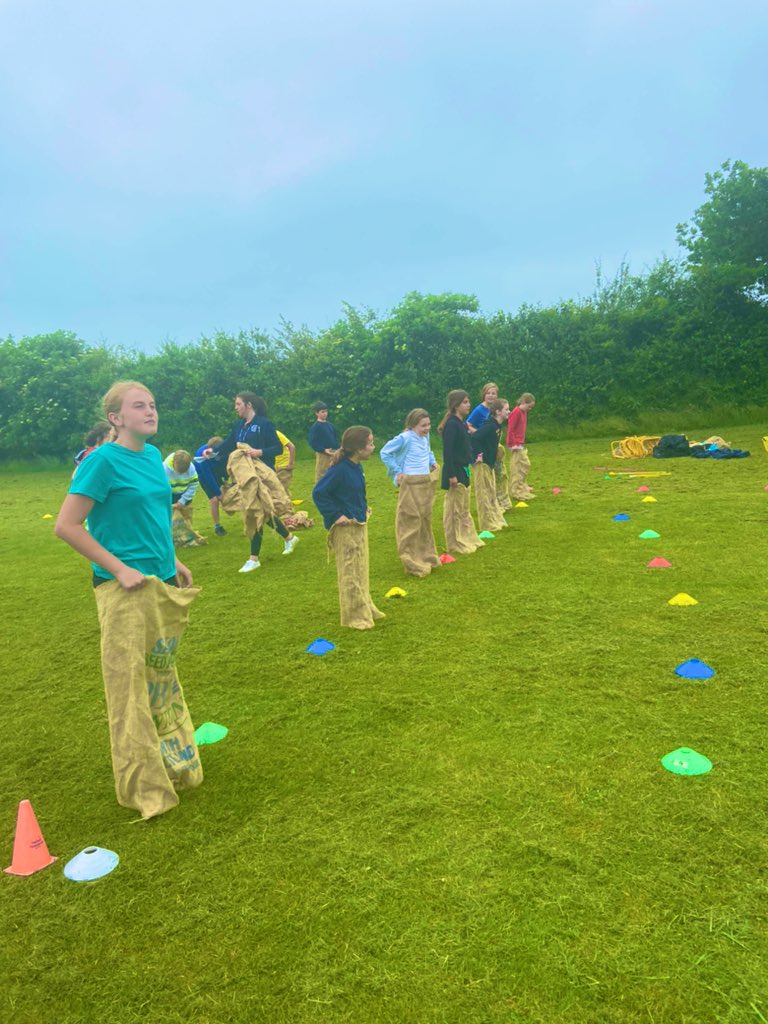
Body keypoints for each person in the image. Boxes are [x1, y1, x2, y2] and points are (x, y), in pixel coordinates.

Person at [55, 380, 202, 820]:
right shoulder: (101, 462)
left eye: (152, 404)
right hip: (122, 590)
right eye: (139, 406)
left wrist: (172, 559)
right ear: (116, 418)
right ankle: (144, 788)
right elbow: (67, 526)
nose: (150, 411)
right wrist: (119, 569)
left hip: (160, 583)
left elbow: (156, 515)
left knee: (160, 679)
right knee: (129, 690)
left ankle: (175, 764)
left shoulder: (154, 459)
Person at [206, 392, 298, 573]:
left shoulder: (264, 424)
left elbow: (277, 448)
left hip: (262, 474)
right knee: (260, 511)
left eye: (238, 404)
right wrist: (213, 451)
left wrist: (258, 452)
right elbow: (229, 444)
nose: (235, 407)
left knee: (254, 510)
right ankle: (289, 538)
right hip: (245, 476)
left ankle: (253, 559)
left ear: (248, 405)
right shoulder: (238, 426)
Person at [312, 427, 385, 630]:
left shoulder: (356, 466)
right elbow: (319, 493)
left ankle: (366, 606)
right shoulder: (340, 470)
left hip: (358, 524)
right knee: (350, 571)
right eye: (370, 444)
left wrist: (362, 507)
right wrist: (336, 515)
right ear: (358, 449)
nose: (373, 447)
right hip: (345, 529)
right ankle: (354, 617)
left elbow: (354, 493)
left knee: (361, 569)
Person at [380, 408, 441, 577]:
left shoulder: (425, 437)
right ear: (413, 425)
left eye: (429, 424)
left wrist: (432, 462)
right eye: (423, 425)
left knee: (424, 519)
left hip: (424, 481)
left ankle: (426, 555)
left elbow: (428, 450)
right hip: (410, 483)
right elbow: (385, 452)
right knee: (410, 520)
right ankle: (410, 559)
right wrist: (397, 471)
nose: (427, 428)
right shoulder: (405, 438)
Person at [438, 390, 485, 555]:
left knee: (463, 507)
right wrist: (451, 475)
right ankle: (454, 542)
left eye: (468, 401)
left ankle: (466, 536)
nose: (468, 405)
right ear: (456, 405)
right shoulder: (451, 424)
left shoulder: (462, 423)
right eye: (465, 402)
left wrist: (473, 459)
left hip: (464, 469)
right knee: (454, 509)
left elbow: (465, 446)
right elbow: (448, 452)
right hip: (455, 470)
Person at [469, 399, 509, 533]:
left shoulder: (497, 426)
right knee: (484, 493)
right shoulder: (490, 426)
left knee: (491, 491)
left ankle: (493, 518)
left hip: (490, 463)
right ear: (498, 412)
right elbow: (474, 438)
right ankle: (486, 524)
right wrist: (479, 454)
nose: (509, 411)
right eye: (506, 409)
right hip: (482, 464)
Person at [193, 436, 227, 535]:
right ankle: (217, 527)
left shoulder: (221, 449)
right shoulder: (201, 456)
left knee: (226, 493)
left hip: (215, 471)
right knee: (214, 500)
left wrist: (225, 478)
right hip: (204, 476)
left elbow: (224, 463)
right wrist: (218, 493)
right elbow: (208, 476)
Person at [506, 392, 536, 501]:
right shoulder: (516, 412)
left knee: (525, 465)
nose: (530, 409)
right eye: (529, 406)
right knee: (518, 468)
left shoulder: (524, 412)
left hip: (520, 443)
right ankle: (516, 490)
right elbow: (511, 428)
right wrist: (513, 444)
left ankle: (522, 485)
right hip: (515, 445)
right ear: (523, 402)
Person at [308, 401, 340, 482]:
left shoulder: (330, 425)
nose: (325, 413)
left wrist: (338, 449)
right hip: (323, 454)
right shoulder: (316, 427)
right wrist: (323, 450)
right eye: (322, 412)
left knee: (334, 472)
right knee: (322, 475)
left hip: (334, 453)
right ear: (317, 413)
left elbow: (336, 438)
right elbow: (312, 442)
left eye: (326, 411)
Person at [274, 429, 296, 496]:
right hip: (274, 466)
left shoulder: (277, 434)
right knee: (277, 489)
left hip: (284, 466)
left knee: (282, 489)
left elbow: (292, 447)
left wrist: (290, 463)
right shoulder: (262, 436)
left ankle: (286, 502)